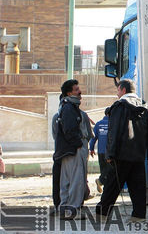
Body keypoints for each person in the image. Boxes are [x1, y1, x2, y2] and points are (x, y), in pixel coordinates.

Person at [96, 79, 148, 223]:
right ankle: (139, 215)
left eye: (117, 91)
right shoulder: (143, 107)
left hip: (121, 154)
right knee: (137, 187)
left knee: (113, 185)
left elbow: (114, 131)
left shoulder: (119, 106)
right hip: (138, 155)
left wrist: (110, 154)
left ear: (123, 90)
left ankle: (102, 214)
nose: (117, 94)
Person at [52, 79, 93, 219]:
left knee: (67, 181)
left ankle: (65, 209)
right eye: (76, 89)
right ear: (69, 93)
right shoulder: (69, 108)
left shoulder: (66, 107)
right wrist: (78, 144)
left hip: (68, 150)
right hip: (73, 150)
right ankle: (72, 211)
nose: (79, 91)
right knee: (76, 181)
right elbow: (70, 130)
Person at [89, 115, 111, 193]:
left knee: (103, 169)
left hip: (101, 151)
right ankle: (101, 182)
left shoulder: (98, 124)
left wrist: (91, 149)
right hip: (110, 152)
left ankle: (103, 184)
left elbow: (93, 137)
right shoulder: (112, 123)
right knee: (110, 171)